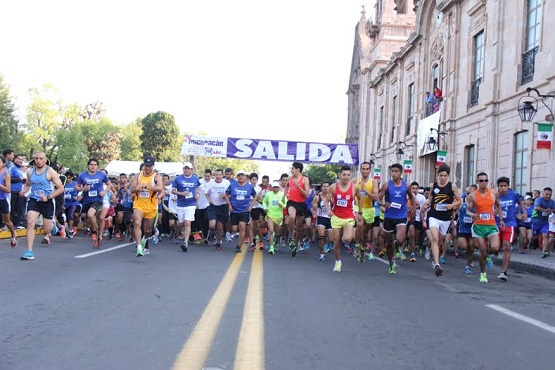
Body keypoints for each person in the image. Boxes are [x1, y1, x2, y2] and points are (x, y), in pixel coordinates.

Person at [19, 152, 65, 260]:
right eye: (36, 158)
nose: (38, 160)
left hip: (47, 202)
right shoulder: (30, 172)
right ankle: (29, 251)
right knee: (30, 222)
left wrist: (48, 197)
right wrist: (23, 191)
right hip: (34, 200)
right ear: (34, 160)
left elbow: (61, 188)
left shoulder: (50, 172)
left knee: (46, 230)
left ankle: (52, 226)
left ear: (45, 160)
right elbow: (28, 184)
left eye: (41, 158)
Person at [421, 164, 461, 277]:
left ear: (448, 176)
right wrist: (426, 205)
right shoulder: (433, 186)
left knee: (440, 241)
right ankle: (437, 265)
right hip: (434, 215)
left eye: (445, 176)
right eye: (440, 175)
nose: (442, 178)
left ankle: (434, 257)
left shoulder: (452, 186)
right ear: (437, 176)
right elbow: (430, 199)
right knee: (434, 238)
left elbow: (460, 201)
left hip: (446, 218)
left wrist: (452, 204)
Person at [465, 172, 504, 283]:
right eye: (481, 181)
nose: (484, 183)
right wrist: (472, 214)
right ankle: (483, 274)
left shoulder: (493, 193)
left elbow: (498, 205)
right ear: (477, 182)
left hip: (491, 225)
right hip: (479, 226)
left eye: (486, 180)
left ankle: (487, 256)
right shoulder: (472, 195)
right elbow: (468, 210)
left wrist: (501, 219)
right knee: (482, 251)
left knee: (496, 248)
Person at [378, 163, 416, 274]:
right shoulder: (386, 185)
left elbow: (411, 198)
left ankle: (398, 247)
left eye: (396, 171)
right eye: (392, 171)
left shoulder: (406, 185)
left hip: (402, 215)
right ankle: (391, 263)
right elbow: (379, 200)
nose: (394, 173)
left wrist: (413, 210)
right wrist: (384, 204)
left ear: (401, 173)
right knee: (389, 243)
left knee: (399, 239)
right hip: (389, 216)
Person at [324, 165, 361, 272]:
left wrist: (360, 212)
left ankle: (348, 242)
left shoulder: (354, 187)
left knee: (347, 239)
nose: (346, 177)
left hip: (349, 216)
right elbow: (326, 200)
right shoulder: (333, 187)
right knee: (336, 242)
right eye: (344, 175)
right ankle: (338, 262)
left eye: (348, 175)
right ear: (340, 175)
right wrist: (329, 211)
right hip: (336, 217)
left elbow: (360, 198)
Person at [129, 156, 163, 256]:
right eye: (146, 166)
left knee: (147, 230)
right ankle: (139, 247)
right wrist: (137, 189)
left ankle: (145, 239)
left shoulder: (156, 176)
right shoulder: (138, 176)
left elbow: (160, 187)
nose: (147, 168)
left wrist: (146, 187)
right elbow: (132, 189)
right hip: (139, 204)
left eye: (149, 166)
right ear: (143, 165)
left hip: (151, 206)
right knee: (137, 223)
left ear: (153, 166)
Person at [75, 158, 112, 248]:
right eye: (91, 164)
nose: (93, 166)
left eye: (95, 165)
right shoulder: (82, 175)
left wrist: (105, 192)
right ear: (88, 165)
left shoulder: (101, 175)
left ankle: (96, 233)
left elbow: (109, 184)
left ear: (97, 166)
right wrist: (83, 189)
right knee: (88, 218)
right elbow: (76, 187)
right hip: (87, 200)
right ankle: (96, 231)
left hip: (98, 199)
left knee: (91, 215)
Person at [495, 177, 526, 281]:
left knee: (507, 247)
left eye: (505, 186)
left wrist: (524, 212)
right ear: (498, 187)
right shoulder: (495, 195)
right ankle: (491, 254)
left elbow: (520, 202)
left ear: (508, 186)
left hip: (510, 223)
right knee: (495, 247)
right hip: (496, 224)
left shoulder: (513, 194)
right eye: (501, 186)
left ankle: (503, 272)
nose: (503, 188)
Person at [225, 170, 258, 253]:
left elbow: (255, 196)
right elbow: (226, 194)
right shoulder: (232, 185)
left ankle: (239, 245)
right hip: (234, 210)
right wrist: (229, 205)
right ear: (237, 177)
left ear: (245, 177)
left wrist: (251, 206)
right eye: (239, 175)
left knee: (242, 226)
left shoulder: (249, 187)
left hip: (244, 210)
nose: (241, 177)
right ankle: (239, 235)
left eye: (242, 175)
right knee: (234, 228)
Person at [353, 161, 379, 263]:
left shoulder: (373, 182)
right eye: (363, 169)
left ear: (370, 170)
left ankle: (362, 251)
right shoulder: (355, 181)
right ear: (360, 170)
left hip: (369, 209)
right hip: (357, 207)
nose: (365, 171)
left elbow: (375, 197)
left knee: (365, 234)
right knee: (359, 225)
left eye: (367, 169)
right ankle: (356, 245)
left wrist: (365, 190)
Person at [172, 162, 201, 252]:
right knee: (180, 224)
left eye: (188, 168)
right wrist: (181, 193)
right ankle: (176, 234)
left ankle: (185, 242)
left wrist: (197, 194)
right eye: (185, 168)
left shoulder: (195, 178)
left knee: (187, 223)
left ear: (191, 170)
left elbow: (198, 187)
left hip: (191, 204)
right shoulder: (178, 179)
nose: (186, 170)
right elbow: (173, 191)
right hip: (181, 204)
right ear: (183, 169)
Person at [285, 162, 311, 256]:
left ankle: (295, 244)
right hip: (292, 202)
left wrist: (298, 186)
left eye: (292, 169)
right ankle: (291, 236)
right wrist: (283, 197)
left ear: (298, 170)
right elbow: (286, 187)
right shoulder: (290, 178)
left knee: (299, 227)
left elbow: (307, 195)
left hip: (301, 204)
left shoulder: (305, 179)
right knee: (291, 217)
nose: (291, 171)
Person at [205, 169, 230, 250]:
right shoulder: (211, 183)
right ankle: (212, 232)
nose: (218, 176)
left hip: (223, 206)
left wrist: (225, 197)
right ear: (214, 175)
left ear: (223, 175)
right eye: (216, 174)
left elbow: (231, 193)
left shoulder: (227, 183)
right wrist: (209, 200)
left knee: (220, 227)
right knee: (212, 225)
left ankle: (218, 242)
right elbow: (206, 193)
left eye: (219, 174)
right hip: (213, 206)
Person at [262, 180, 286, 255]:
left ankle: (275, 239)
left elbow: (286, 204)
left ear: (279, 188)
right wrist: (265, 208)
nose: (275, 189)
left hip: (279, 216)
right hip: (270, 214)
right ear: (272, 188)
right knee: (271, 230)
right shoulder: (268, 194)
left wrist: (281, 205)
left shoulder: (282, 195)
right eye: (274, 187)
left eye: (277, 187)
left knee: (277, 231)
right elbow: (264, 202)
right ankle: (271, 247)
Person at [532, 187, 555, 258]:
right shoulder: (539, 200)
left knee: (545, 235)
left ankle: (545, 251)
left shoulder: (552, 202)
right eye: (546, 194)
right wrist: (545, 210)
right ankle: (531, 241)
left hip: (545, 222)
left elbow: (554, 209)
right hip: (536, 222)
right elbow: (536, 208)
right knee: (534, 237)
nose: (548, 196)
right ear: (543, 193)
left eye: (550, 195)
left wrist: (551, 210)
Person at [312, 181, 332, 261]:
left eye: (327, 186)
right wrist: (314, 211)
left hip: (330, 219)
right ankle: (321, 254)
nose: (325, 188)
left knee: (331, 238)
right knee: (321, 236)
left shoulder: (332, 197)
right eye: (324, 186)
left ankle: (327, 243)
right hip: (321, 218)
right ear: (321, 188)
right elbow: (313, 207)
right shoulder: (317, 197)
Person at [0, 156, 18, 247]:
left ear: (3, 164)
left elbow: (8, 190)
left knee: (7, 221)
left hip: (3, 199)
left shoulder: (6, 174)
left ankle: (13, 234)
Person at [9, 153, 27, 229]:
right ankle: (13, 224)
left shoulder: (20, 169)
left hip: (21, 191)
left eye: (22, 159)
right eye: (19, 159)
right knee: (13, 209)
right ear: (14, 159)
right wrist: (20, 179)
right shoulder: (12, 168)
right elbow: (8, 179)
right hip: (13, 191)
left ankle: (18, 223)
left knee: (20, 209)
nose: (20, 161)